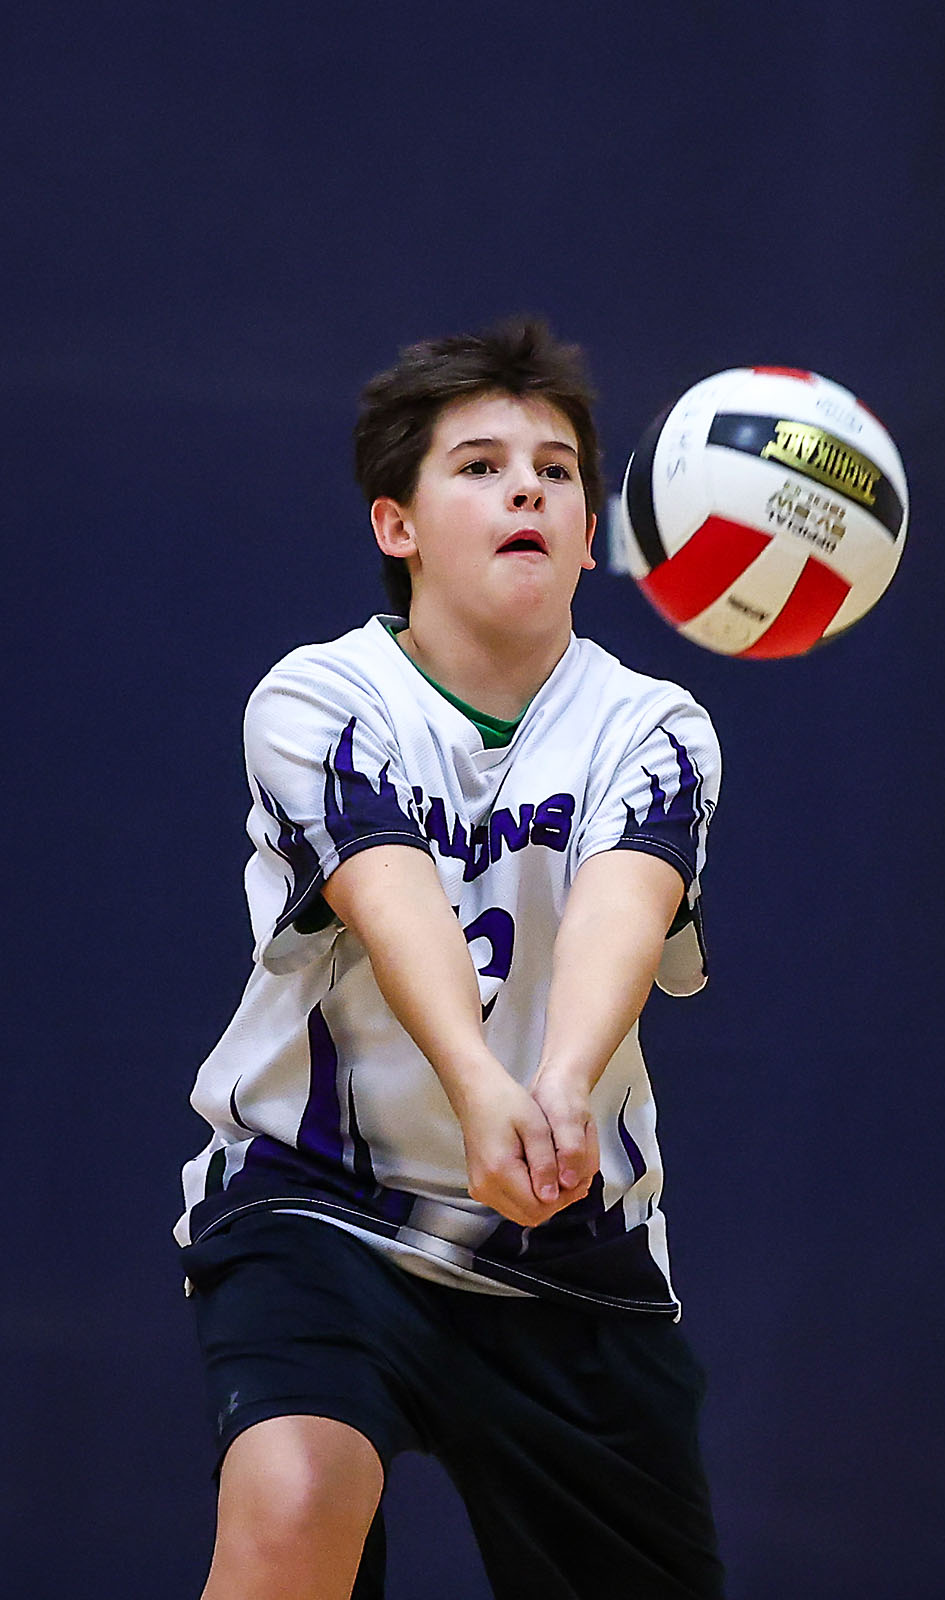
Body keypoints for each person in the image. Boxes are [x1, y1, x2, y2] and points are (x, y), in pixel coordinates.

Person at [176, 318, 726, 1600]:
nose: (527, 484)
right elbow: (391, 889)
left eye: (554, 467)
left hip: (569, 1235)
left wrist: (561, 1086)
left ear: (591, 533)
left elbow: (620, 904)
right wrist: (483, 1082)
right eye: (477, 465)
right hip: (321, 1202)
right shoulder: (315, 698)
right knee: (293, 1494)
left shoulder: (655, 723)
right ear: (396, 526)